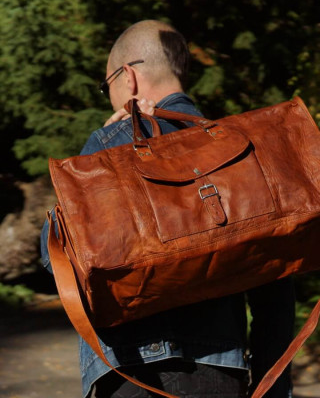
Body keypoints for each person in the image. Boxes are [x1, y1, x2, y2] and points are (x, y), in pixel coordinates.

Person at [40, 20, 295, 398]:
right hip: (221, 375)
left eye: (104, 86)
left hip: (135, 374)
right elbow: (275, 286)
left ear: (128, 77)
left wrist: (106, 144)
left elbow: (56, 256)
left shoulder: (112, 143)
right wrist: (272, 389)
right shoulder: (240, 152)